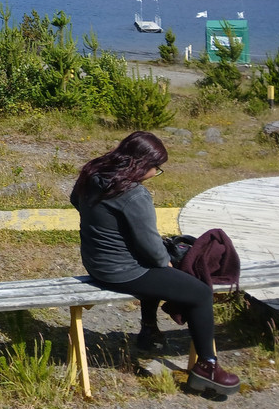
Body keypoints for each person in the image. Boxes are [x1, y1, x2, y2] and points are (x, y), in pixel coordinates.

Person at [70, 131, 240, 396]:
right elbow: (150, 247)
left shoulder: (92, 173)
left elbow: (74, 201)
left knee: (162, 267)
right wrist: (166, 263)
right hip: (122, 271)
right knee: (199, 292)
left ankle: (149, 330)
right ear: (140, 164)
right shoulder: (134, 193)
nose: (155, 173)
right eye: (155, 168)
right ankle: (207, 366)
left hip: (96, 262)